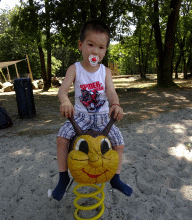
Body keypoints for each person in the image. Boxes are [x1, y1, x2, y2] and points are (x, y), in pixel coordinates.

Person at [52, 19, 133, 201]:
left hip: (103, 117)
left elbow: (111, 92)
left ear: (105, 51)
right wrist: (65, 102)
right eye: (90, 45)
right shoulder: (75, 69)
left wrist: (116, 105)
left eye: (101, 47)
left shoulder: (105, 72)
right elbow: (62, 90)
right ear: (81, 45)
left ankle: (116, 178)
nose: (95, 51)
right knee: (61, 137)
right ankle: (63, 177)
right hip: (80, 116)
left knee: (119, 142)